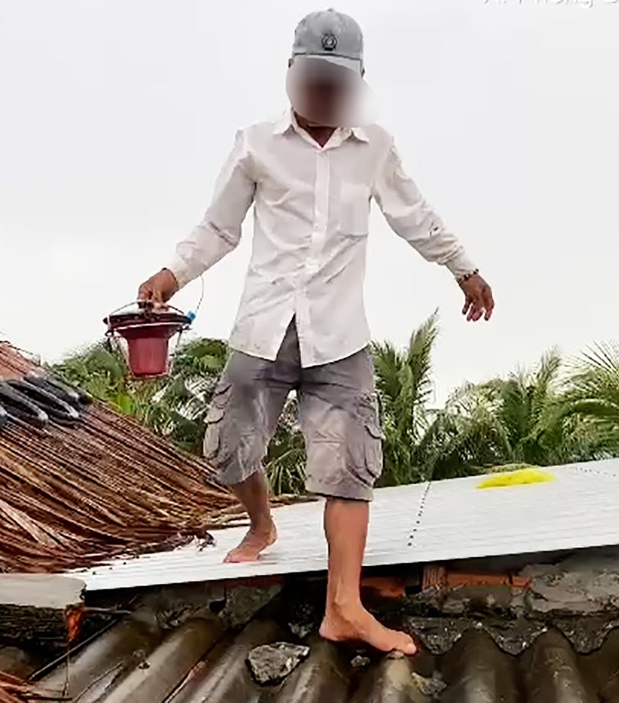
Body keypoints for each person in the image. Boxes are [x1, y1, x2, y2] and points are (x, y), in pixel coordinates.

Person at [138, 8, 494, 655]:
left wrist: (464, 268)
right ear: (291, 74)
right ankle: (261, 524)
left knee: (351, 464)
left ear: (355, 83)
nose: (325, 96)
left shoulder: (375, 147)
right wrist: (170, 274)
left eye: (338, 85)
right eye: (315, 82)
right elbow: (219, 227)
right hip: (264, 326)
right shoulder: (254, 143)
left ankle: (344, 606)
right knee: (227, 448)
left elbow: (415, 215)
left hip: (340, 335)